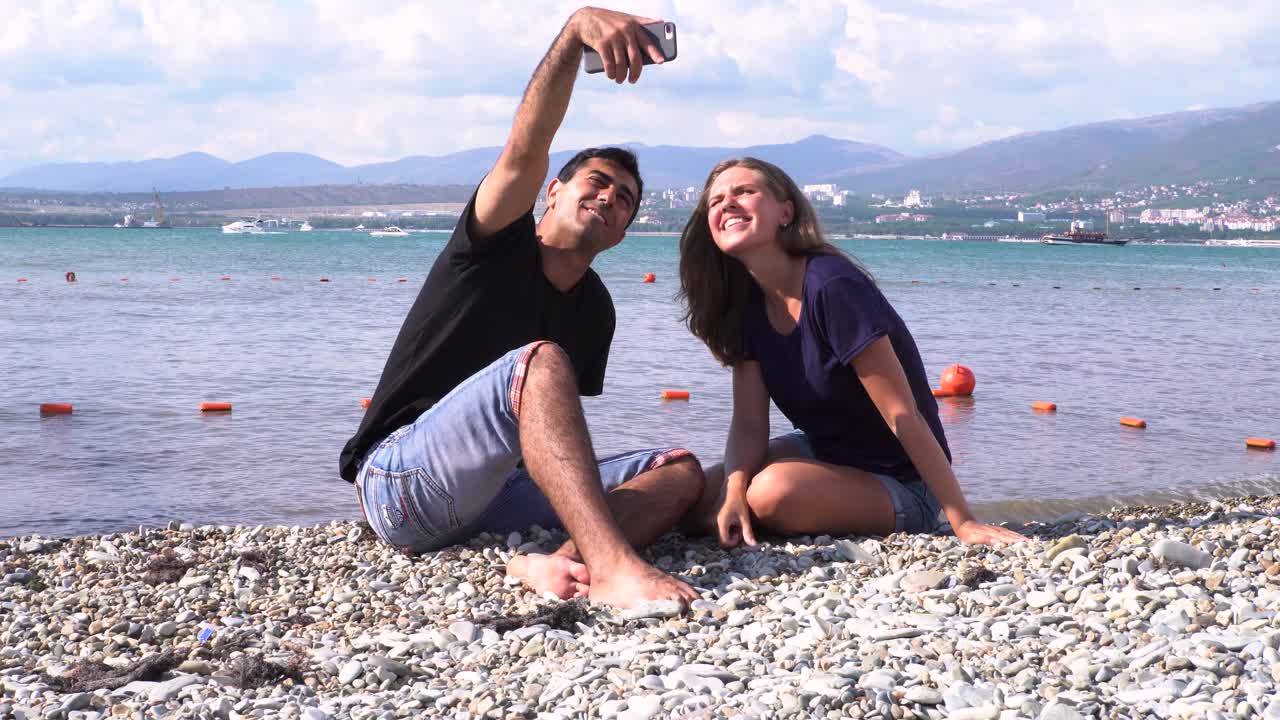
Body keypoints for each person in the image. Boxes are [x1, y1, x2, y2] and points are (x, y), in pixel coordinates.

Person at [339, 7, 703, 608]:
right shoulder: (492, 244)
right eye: (597, 180)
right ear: (553, 192)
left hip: (497, 497)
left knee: (681, 466)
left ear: (623, 231)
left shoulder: (596, 311)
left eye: (626, 199)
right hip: (400, 484)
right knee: (538, 361)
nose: (610, 196)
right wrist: (575, 33)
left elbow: (549, 440)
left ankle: (555, 564)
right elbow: (526, 145)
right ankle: (614, 566)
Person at [677, 158, 1027, 548]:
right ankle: (607, 541)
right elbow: (748, 424)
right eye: (716, 200)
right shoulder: (745, 306)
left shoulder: (832, 286)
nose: (728, 203)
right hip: (828, 454)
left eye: (744, 191)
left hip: (905, 483)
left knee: (769, 493)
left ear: (785, 211)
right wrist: (732, 490)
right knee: (696, 489)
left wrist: (963, 522)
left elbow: (903, 414)